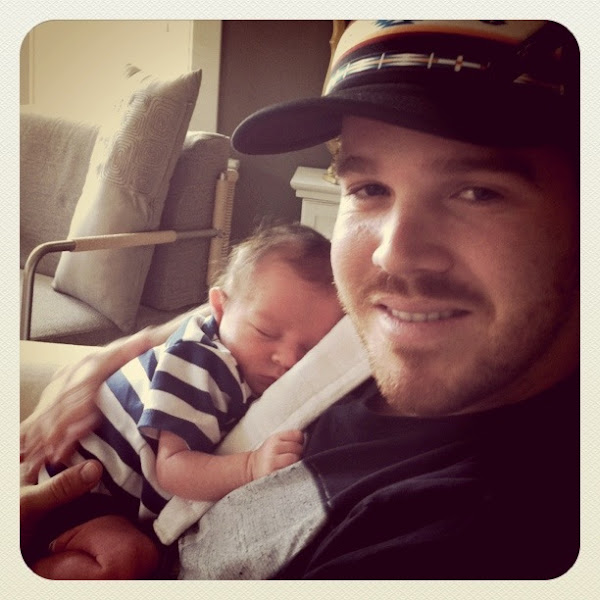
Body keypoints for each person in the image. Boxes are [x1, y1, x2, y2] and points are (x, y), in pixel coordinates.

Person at [20, 20, 580, 579]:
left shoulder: (481, 535)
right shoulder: (360, 323)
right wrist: (110, 357)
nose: (393, 255)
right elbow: (239, 310)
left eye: (478, 192)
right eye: (368, 188)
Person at [24, 223, 344, 579]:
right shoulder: (201, 364)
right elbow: (173, 467)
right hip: (78, 491)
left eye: (311, 348)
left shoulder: (243, 362)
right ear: (218, 308)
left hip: (105, 497)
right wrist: (250, 466)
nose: (288, 359)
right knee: (126, 558)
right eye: (266, 332)